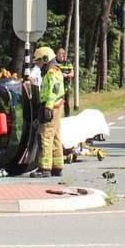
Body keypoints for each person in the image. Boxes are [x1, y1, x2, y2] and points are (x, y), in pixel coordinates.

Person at [31, 46, 65, 178]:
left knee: (45, 136)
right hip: (57, 107)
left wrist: (48, 107)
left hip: (51, 107)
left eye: (39, 61)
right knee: (55, 137)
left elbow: (54, 90)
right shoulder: (55, 71)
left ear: (45, 59)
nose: (38, 65)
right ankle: (57, 166)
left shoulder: (51, 72)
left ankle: (44, 168)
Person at [55, 47, 75, 116]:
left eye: (64, 53)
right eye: (61, 53)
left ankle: (67, 116)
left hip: (66, 85)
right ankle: (58, 116)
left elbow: (72, 74)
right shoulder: (55, 63)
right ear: (57, 54)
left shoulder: (68, 62)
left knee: (67, 102)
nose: (63, 55)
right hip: (57, 85)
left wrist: (66, 75)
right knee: (58, 102)